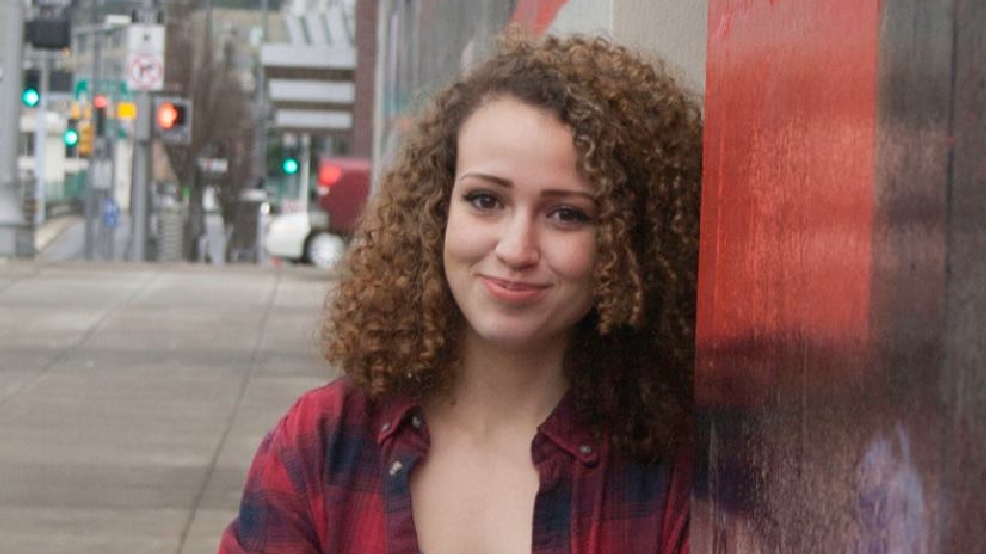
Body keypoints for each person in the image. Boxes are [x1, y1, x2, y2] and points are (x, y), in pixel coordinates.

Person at [220, 30, 702, 554]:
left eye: (567, 214)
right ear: (435, 210)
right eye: (485, 200)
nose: (516, 249)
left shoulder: (675, 477)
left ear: (631, 242)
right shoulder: (321, 446)